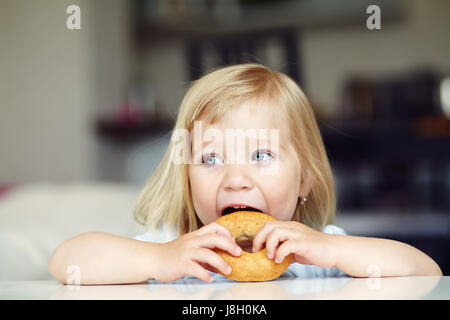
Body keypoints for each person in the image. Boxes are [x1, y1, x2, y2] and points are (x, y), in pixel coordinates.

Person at [48, 64, 442, 285]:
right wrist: (157, 258)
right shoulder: (180, 251)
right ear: (186, 178)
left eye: (261, 154)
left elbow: (427, 274)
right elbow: (66, 262)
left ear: (305, 179)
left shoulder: (315, 255)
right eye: (210, 159)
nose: (236, 178)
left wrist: (335, 249)